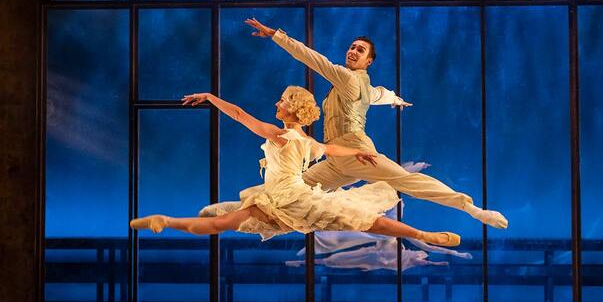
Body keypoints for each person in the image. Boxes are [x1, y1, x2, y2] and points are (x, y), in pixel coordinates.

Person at [244, 18, 508, 229]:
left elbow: (312, 58)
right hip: (337, 159)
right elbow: (378, 94)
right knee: (291, 188)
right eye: (352, 46)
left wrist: (276, 35)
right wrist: (396, 99)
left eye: (360, 49)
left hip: (357, 152)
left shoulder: (347, 78)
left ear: (368, 61)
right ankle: (240, 215)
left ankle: (471, 208)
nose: (352, 51)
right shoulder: (359, 84)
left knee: (406, 180)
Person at [130, 86, 460, 247]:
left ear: (292, 110)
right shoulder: (304, 140)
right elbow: (329, 147)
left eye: (282, 101)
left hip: (287, 198)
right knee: (366, 221)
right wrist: (356, 154)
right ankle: (422, 234)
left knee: (224, 223)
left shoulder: (281, 136)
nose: (276, 103)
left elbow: (240, 115)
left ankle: (169, 221)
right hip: (283, 197)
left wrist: (211, 97)